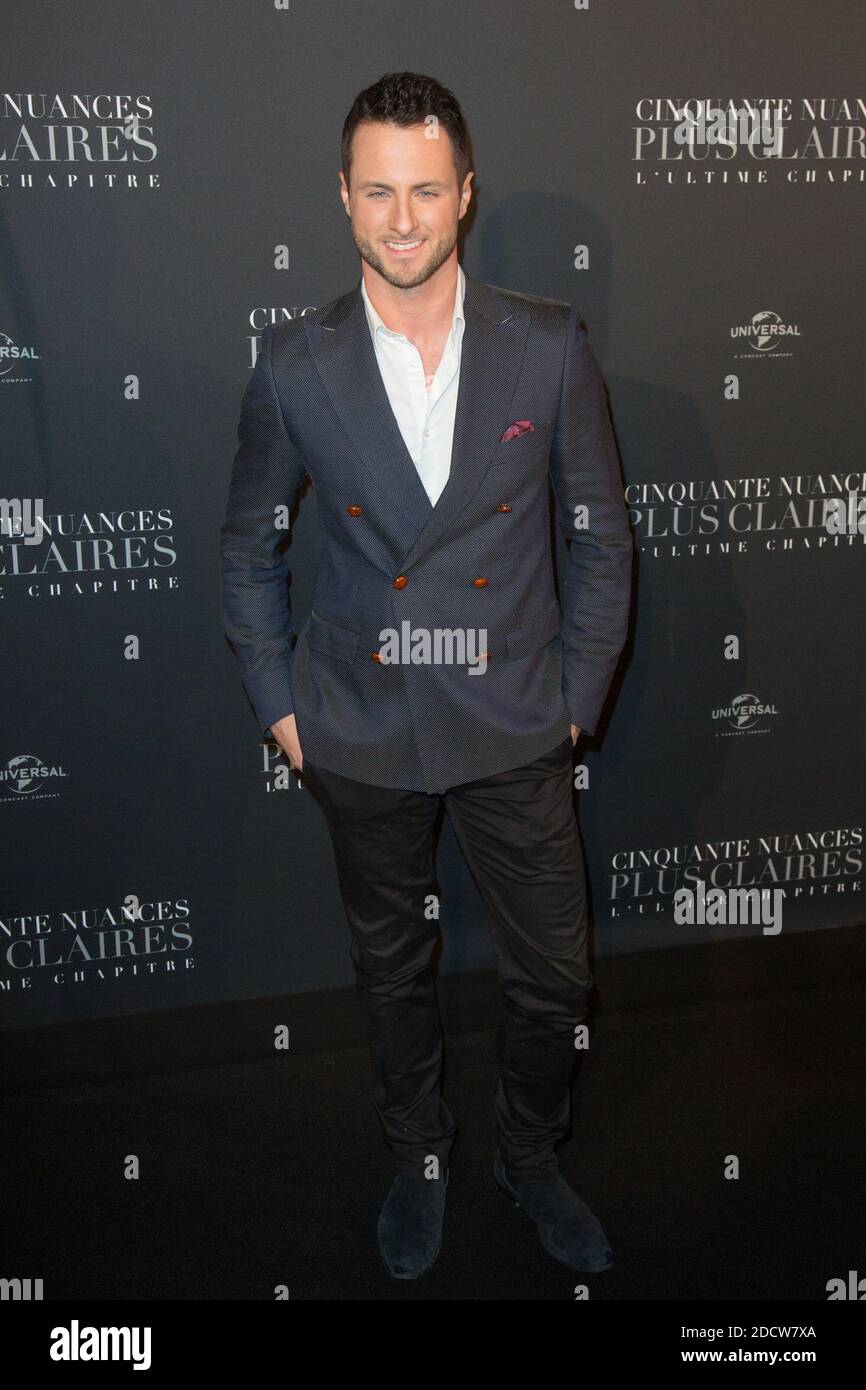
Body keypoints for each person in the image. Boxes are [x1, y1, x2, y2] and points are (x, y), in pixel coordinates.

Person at [220, 71, 632, 1281]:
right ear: (345, 202)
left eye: (425, 191)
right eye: (377, 193)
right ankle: (420, 1154)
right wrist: (284, 713)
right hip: (359, 722)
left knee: (556, 972)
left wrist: (574, 706)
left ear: (463, 195)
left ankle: (528, 1151)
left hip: (513, 717)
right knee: (391, 967)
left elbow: (601, 535)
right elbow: (248, 545)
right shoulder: (293, 363)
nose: (402, 219)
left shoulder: (547, 345)